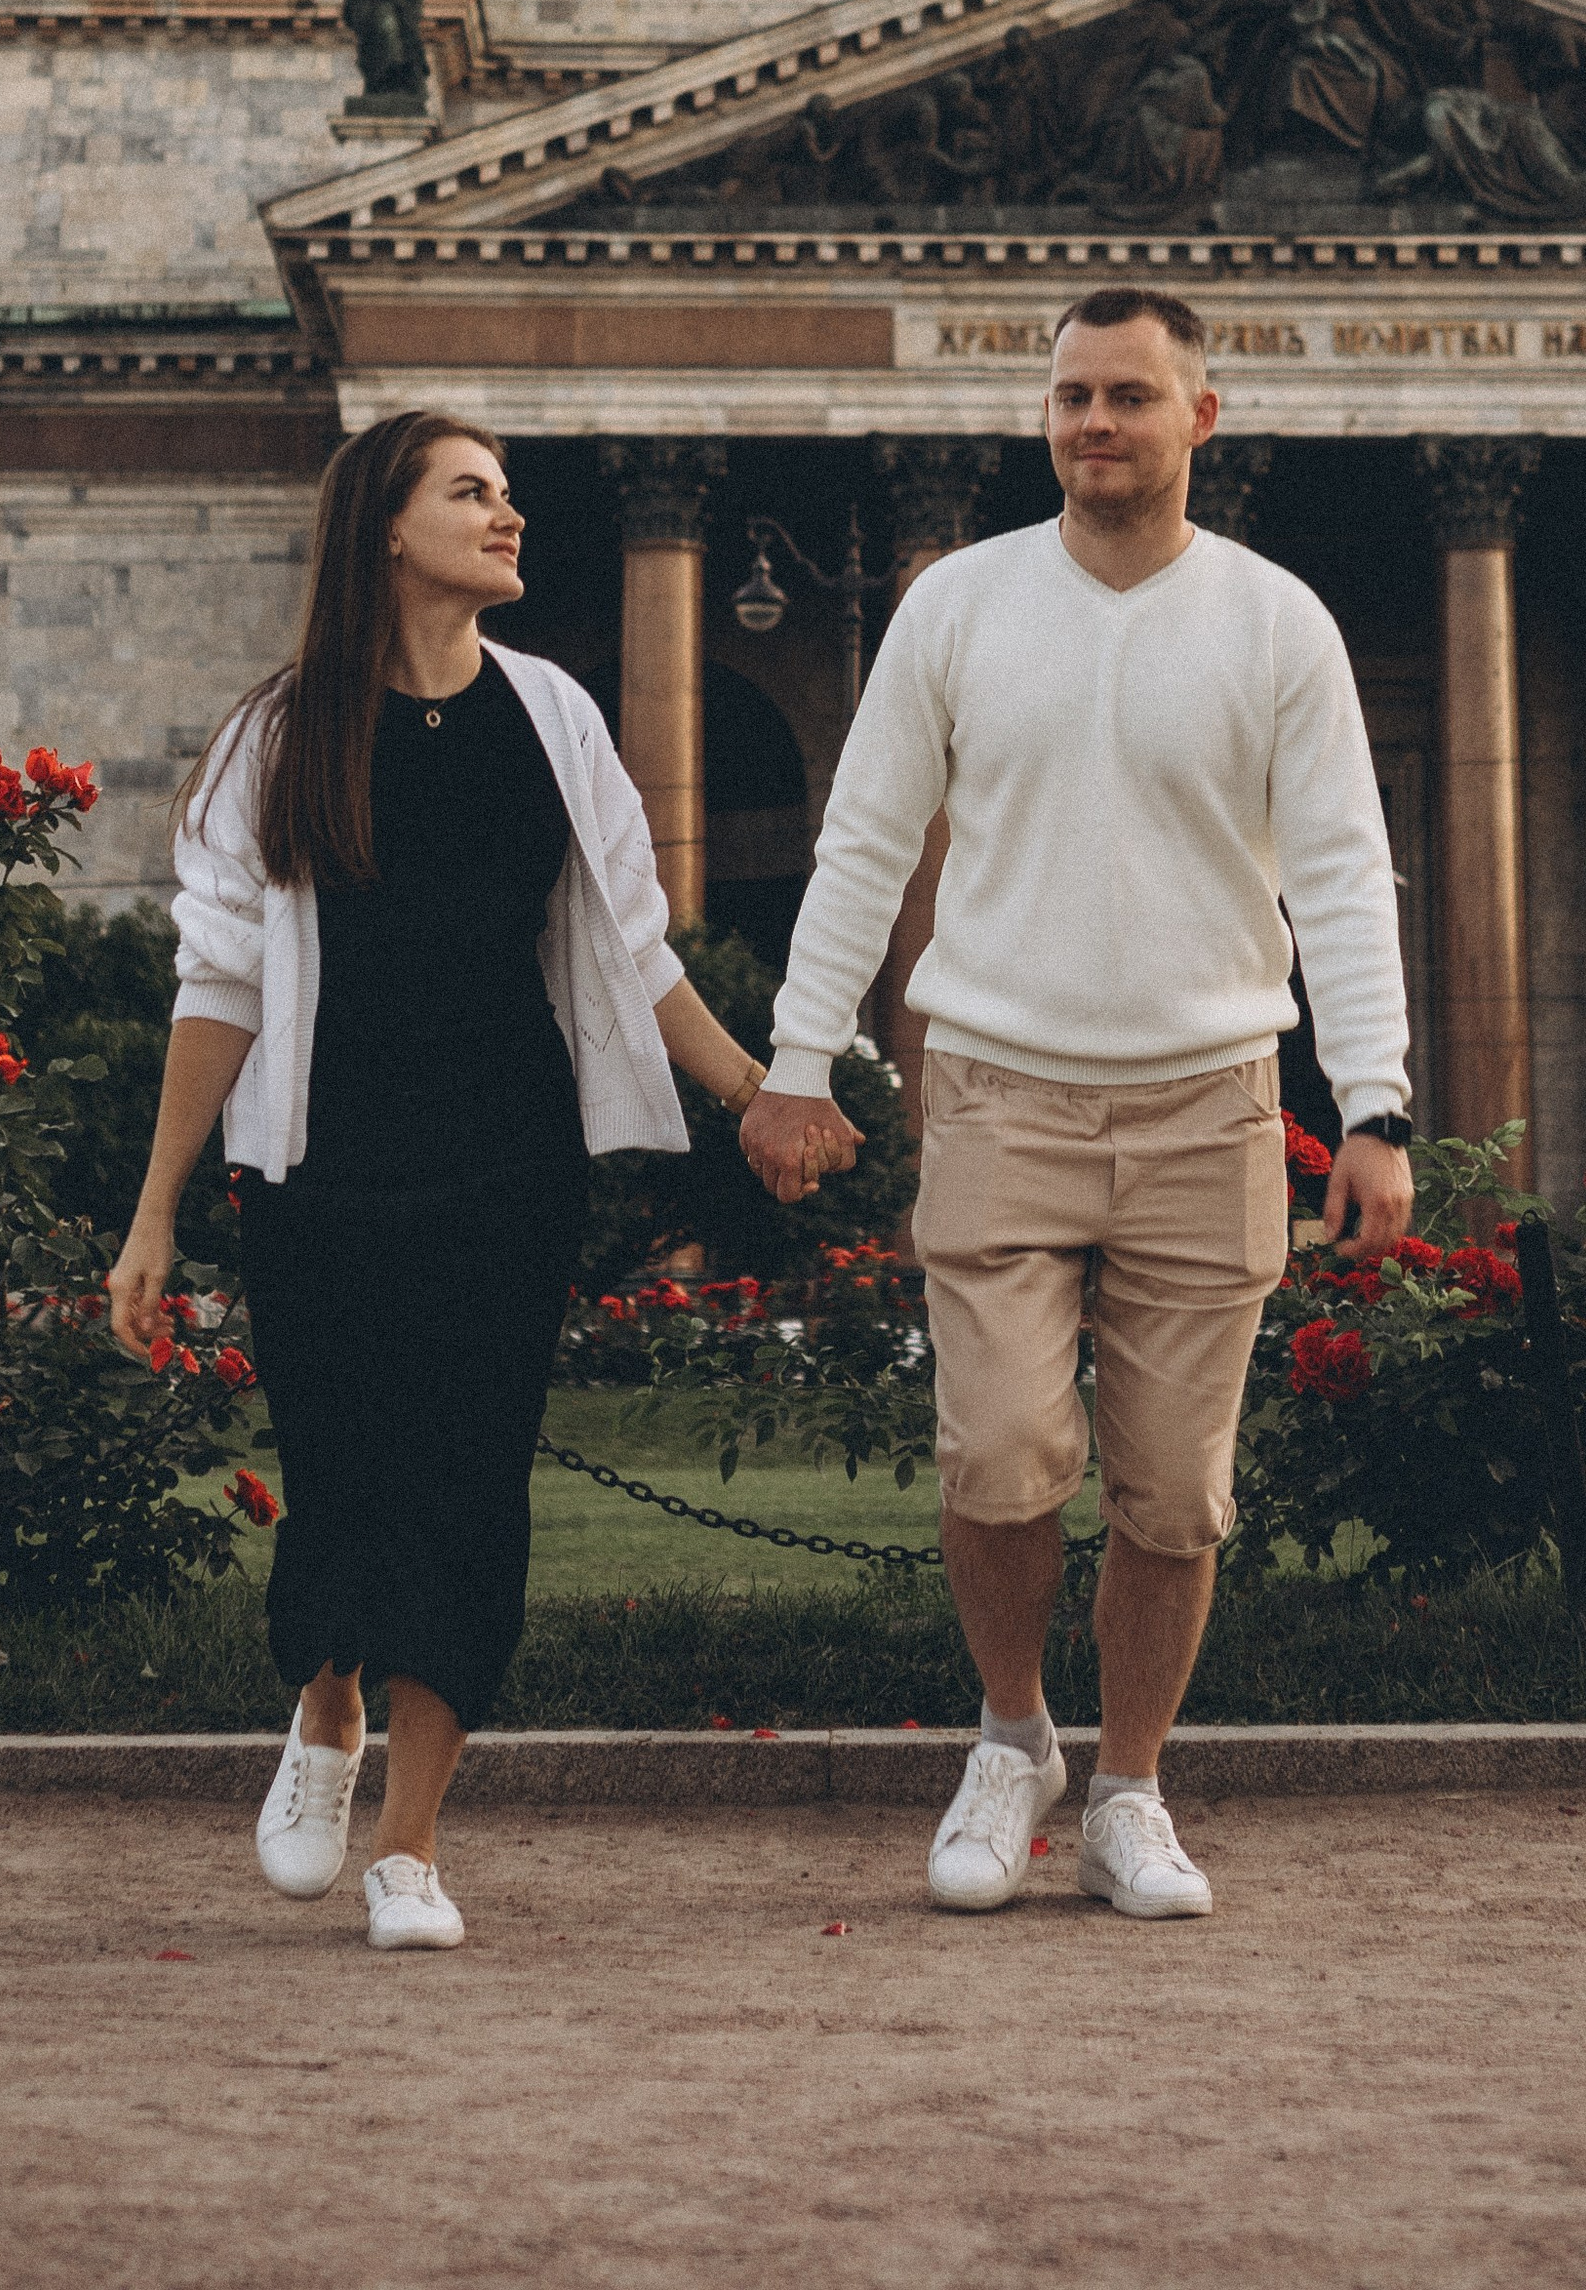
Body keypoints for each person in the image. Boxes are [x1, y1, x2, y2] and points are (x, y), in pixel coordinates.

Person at [741, 288, 1413, 1918]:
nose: (1093, 422)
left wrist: (1376, 1102)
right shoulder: (959, 605)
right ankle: (1010, 1740)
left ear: (1203, 416)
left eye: (1128, 394)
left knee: (1176, 1494)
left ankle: (1130, 1791)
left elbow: (1341, 871)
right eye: (1070, 396)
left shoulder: (1277, 623)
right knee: (999, 1456)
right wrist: (797, 1058)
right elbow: (864, 841)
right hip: (997, 1090)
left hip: (1210, 1102)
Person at [107, 409, 788, 1954]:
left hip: (506, 1162)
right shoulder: (278, 735)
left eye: (508, 492)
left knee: (471, 1485)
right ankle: (327, 1706)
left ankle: (409, 1849)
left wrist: (761, 1095)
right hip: (322, 1167)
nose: (508, 514)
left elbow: (638, 951)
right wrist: (153, 1210)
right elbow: (220, 984)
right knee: (344, 1470)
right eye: (472, 491)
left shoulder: (555, 718)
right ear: (389, 530)